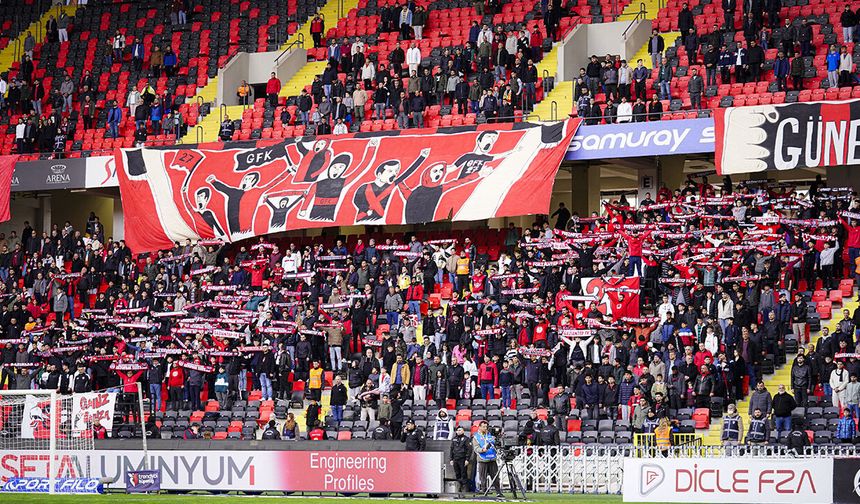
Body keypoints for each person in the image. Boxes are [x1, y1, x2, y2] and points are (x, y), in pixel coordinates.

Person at [472, 420, 503, 497]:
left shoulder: (491, 435)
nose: (485, 428)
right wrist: (482, 450)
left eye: (486, 427)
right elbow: (476, 448)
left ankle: (498, 492)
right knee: (483, 478)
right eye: (483, 427)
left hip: (492, 459)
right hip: (482, 459)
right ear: (479, 427)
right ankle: (484, 492)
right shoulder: (476, 437)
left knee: (495, 477)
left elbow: (497, 445)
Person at [450, 425, 471, 490]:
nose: (458, 431)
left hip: (463, 459)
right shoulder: (454, 439)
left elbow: (469, 450)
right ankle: (459, 486)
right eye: (457, 430)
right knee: (457, 473)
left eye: (460, 430)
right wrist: (451, 459)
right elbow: (451, 449)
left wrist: (467, 459)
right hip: (455, 459)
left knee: (463, 473)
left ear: (463, 431)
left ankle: (465, 488)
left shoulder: (466, 439)